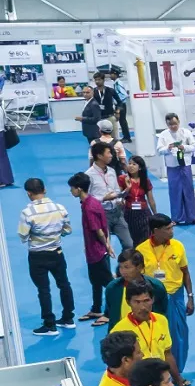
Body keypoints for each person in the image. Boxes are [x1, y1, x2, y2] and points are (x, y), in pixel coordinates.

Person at [136, 213, 195, 373]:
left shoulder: (178, 246)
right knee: (155, 337)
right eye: (167, 229)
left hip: (175, 297)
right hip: (152, 300)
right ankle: (159, 372)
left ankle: (177, 372)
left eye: (171, 228)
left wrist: (190, 297)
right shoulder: (141, 250)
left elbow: (185, 272)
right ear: (156, 230)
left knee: (179, 335)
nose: (171, 231)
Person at [19, 178, 75, 336]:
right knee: (64, 284)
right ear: (44, 190)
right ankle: (68, 319)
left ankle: (50, 325)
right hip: (57, 253)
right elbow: (67, 230)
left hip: (37, 256)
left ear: (28, 193)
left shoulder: (27, 213)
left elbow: (23, 236)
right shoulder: (60, 208)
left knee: (43, 290)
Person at [112, 280, 187, 386]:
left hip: (162, 385)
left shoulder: (162, 320)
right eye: (137, 302)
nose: (142, 307)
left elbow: (167, 354)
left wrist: (179, 383)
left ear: (153, 300)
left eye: (146, 300)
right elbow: (118, 369)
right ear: (128, 302)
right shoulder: (119, 331)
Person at [68, 171, 114, 326]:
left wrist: (106, 246)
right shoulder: (93, 202)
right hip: (94, 250)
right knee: (95, 281)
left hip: (97, 251)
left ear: (79, 188)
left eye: (72, 188)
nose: (71, 191)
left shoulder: (89, 207)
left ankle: (111, 313)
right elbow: (104, 227)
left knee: (109, 284)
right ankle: (96, 309)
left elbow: (98, 230)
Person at [104, 249, 168, 330]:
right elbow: (110, 314)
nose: (123, 271)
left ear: (139, 267)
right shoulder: (112, 288)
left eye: (127, 267)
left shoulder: (156, 287)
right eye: (120, 267)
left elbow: (162, 312)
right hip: (121, 334)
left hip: (149, 333)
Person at [85, 142, 133, 250]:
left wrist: (126, 191)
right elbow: (86, 199)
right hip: (101, 214)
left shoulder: (112, 171)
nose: (111, 155)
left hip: (117, 212)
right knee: (104, 248)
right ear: (99, 156)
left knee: (129, 245)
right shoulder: (88, 175)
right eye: (109, 153)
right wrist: (103, 198)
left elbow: (116, 191)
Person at [157, 113, 195, 226]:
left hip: (185, 165)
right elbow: (159, 150)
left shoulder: (186, 132)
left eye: (175, 123)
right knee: (174, 192)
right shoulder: (163, 135)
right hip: (172, 167)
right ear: (167, 124)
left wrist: (184, 147)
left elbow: (194, 146)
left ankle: (192, 217)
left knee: (188, 191)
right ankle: (176, 218)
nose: (173, 126)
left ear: (179, 122)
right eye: (170, 124)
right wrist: (168, 148)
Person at [119, 155, 156, 246]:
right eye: (129, 163)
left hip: (144, 212)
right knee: (133, 240)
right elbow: (119, 196)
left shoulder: (145, 180)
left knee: (146, 239)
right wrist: (127, 188)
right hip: (129, 212)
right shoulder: (122, 179)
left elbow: (151, 199)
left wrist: (155, 214)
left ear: (140, 167)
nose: (130, 166)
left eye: (134, 164)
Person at [93, 71, 122, 138]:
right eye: (96, 80)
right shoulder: (93, 92)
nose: (97, 81)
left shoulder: (110, 90)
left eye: (99, 79)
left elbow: (119, 102)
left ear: (103, 80)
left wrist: (117, 112)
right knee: (99, 139)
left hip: (110, 117)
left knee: (114, 138)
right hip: (98, 118)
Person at [111, 68, 131, 142]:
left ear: (115, 74)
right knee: (121, 121)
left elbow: (124, 94)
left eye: (111, 74)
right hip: (119, 104)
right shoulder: (116, 83)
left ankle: (127, 138)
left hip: (121, 104)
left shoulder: (118, 83)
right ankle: (126, 137)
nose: (110, 75)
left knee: (122, 121)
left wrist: (119, 101)